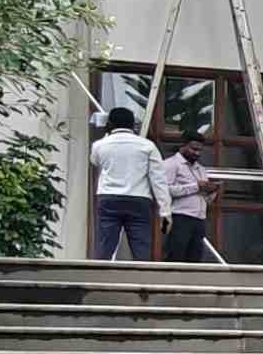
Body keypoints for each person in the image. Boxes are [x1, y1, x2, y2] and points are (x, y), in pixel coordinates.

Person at [87, 108, 160, 262]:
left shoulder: (99, 145)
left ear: (109, 124)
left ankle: (100, 278)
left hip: (108, 198)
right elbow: (158, 179)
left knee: (105, 245)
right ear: (133, 125)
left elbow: (94, 161)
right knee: (141, 247)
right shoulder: (147, 145)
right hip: (139, 199)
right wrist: (165, 209)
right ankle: (143, 281)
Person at [154, 131, 214, 266]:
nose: (197, 153)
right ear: (183, 146)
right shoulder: (170, 164)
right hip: (180, 217)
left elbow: (204, 196)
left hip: (199, 218)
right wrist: (195, 186)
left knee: (195, 258)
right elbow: (165, 190)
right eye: (193, 149)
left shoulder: (201, 169)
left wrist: (212, 192)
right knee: (175, 255)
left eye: (199, 150)